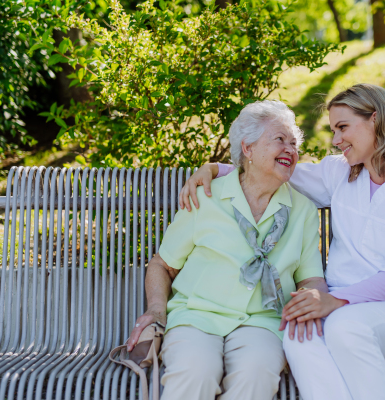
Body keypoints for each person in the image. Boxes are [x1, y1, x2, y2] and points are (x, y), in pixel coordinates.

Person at [179, 83, 385, 400]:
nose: (336, 141)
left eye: (343, 127)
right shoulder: (341, 172)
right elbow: (275, 171)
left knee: (345, 328)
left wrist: (334, 302)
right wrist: (214, 168)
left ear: (374, 120)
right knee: (297, 335)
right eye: (333, 130)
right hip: (337, 307)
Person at [127, 100, 327, 400]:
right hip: (196, 315)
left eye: (294, 143)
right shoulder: (206, 197)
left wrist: (312, 298)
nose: (291, 150)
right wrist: (156, 309)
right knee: (195, 373)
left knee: (256, 375)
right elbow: (162, 264)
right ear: (247, 149)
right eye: (279, 140)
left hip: (264, 321)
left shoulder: (303, 211)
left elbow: (310, 279)